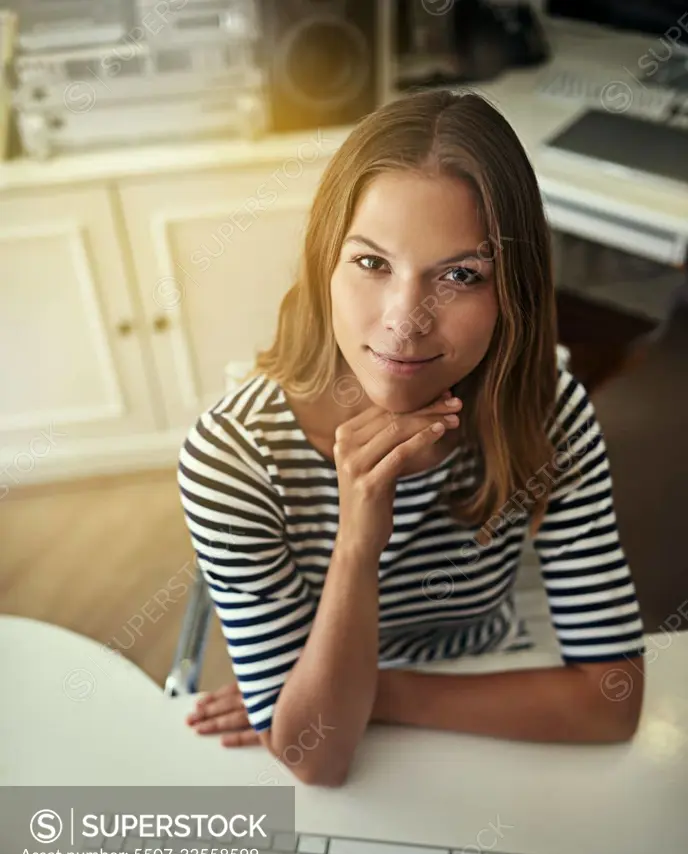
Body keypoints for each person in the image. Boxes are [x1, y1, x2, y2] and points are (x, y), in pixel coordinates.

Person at [178, 90, 645, 787]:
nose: (405, 321)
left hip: (482, 691)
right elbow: (316, 758)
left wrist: (376, 693)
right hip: (421, 725)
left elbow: (612, 705)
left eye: (460, 275)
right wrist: (358, 544)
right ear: (324, 265)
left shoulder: (547, 412)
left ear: (510, 291)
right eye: (371, 264)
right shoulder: (232, 460)